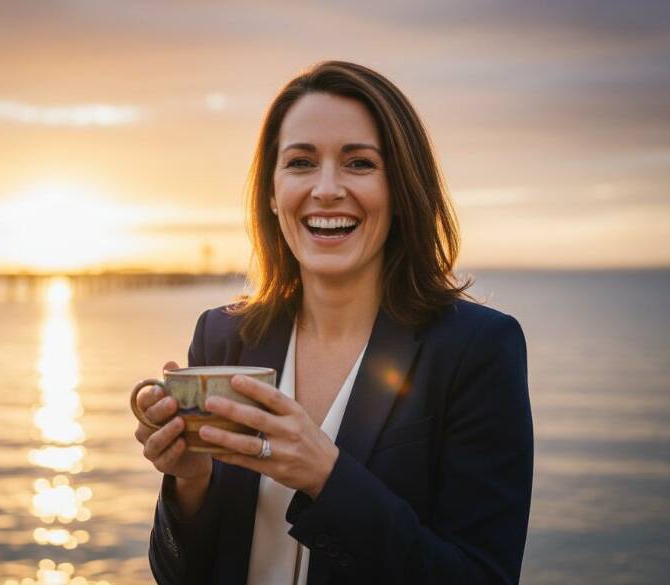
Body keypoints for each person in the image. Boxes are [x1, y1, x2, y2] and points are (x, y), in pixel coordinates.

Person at [133, 60, 533, 585]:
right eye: (300, 162)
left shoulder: (476, 349)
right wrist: (190, 483)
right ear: (272, 194)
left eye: (359, 164)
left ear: (402, 188)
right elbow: (182, 575)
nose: (326, 189)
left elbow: (482, 577)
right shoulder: (222, 335)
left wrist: (328, 476)